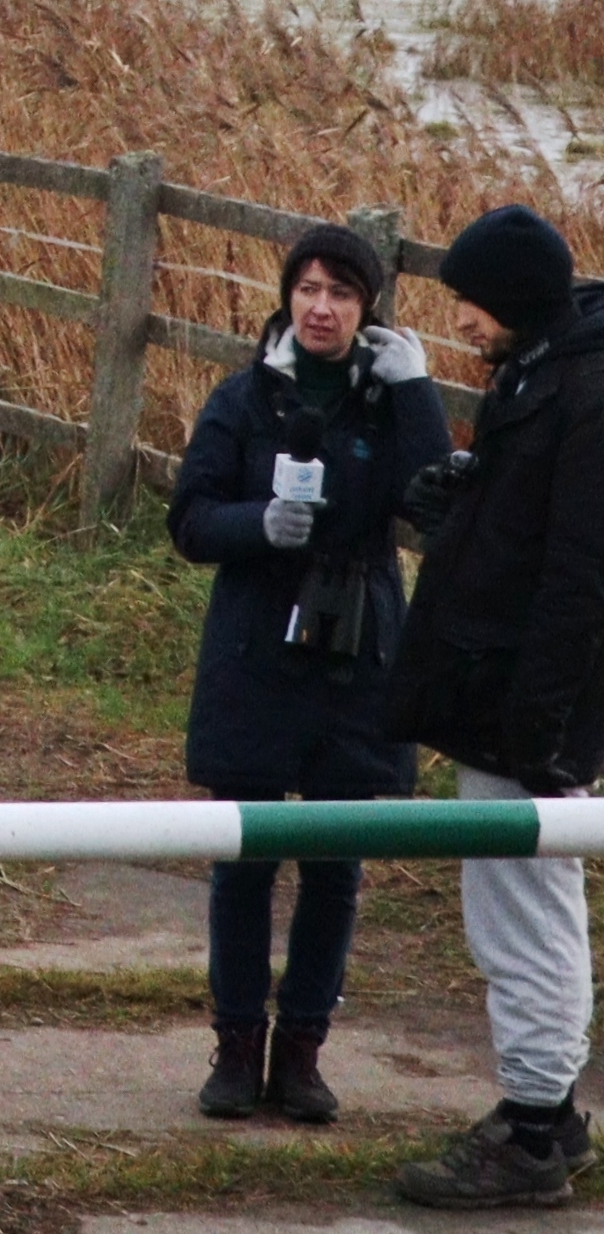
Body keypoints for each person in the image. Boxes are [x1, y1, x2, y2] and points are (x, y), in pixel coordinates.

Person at [168, 224, 450, 1123]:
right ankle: (234, 1048)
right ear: (286, 296)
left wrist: (415, 392)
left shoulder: (386, 402)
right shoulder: (243, 397)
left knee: (334, 865)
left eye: (341, 293)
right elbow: (189, 520)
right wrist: (257, 524)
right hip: (255, 648)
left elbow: (434, 502)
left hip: (355, 650)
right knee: (244, 860)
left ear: (368, 309)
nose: (320, 308)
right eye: (307, 289)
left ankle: (301, 1053)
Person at [388, 204, 604, 1209]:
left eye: (470, 301)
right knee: (513, 906)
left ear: (511, 297)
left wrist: (539, 724)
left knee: (524, 913)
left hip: (530, 701)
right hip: (507, 687)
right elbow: (528, 527)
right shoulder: (538, 369)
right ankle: (549, 1117)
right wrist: (459, 502)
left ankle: (528, 1126)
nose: (460, 320)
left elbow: (577, 574)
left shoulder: (582, 389)